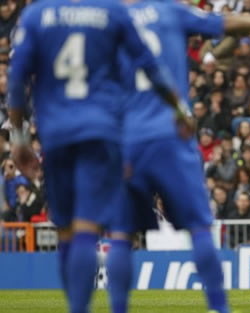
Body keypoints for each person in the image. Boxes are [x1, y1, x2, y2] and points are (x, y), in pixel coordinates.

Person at [119, 2, 250, 313]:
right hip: (170, 132)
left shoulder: (110, 17)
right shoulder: (170, 11)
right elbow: (227, 23)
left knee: (121, 230)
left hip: (126, 134)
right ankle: (219, 307)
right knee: (199, 226)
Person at [8, 1, 184, 313]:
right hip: (100, 132)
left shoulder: (37, 14)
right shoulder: (112, 12)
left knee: (67, 231)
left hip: (55, 135)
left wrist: (19, 137)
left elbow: (17, 76)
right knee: (89, 228)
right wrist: (177, 108)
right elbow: (148, 65)